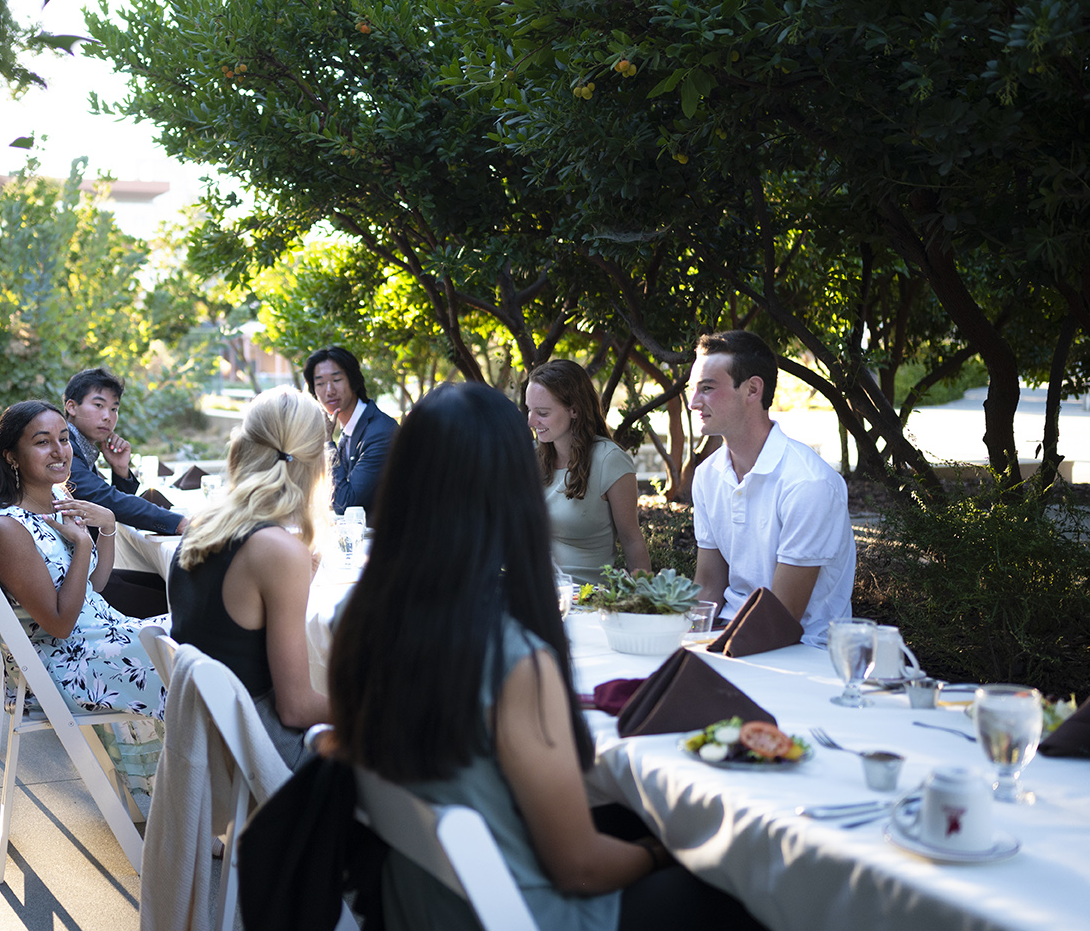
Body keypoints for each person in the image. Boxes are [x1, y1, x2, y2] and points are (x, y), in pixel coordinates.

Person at [328, 383, 762, 930]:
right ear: (512, 491)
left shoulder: (360, 620)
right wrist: (667, 849)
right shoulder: (511, 659)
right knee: (742, 888)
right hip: (521, 914)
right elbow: (580, 868)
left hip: (419, 903)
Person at [0, 400, 166, 806]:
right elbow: (59, 624)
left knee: (198, 641)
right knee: (195, 661)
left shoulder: (57, 501)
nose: (60, 450)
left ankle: (187, 805)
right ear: (11, 456)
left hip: (102, 638)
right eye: (42, 442)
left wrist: (104, 526)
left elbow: (95, 587)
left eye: (64, 438)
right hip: (67, 666)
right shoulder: (6, 529)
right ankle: (190, 808)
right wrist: (84, 540)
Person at [167, 386, 331, 768]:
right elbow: (295, 708)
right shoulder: (276, 550)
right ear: (316, 463)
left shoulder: (203, 525)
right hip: (260, 751)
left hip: (210, 740)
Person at [688, 330, 856, 646]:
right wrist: (678, 645)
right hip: (726, 634)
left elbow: (782, 615)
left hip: (803, 650)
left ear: (752, 389)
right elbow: (708, 588)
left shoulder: (808, 483)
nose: (693, 402)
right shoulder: (707, 475)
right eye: (692, 389)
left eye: (707, 388)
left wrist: (711, 655)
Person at [63, 367, 184, 617]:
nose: (108, 416)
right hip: (74, 586)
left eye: (114, 408)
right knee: (182, 601)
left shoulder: (82, 446)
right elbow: (105, 499)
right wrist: (180, 523)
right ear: (71, 407)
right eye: (98, 405)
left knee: (175, 588)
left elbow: (102, 502)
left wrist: (120, 469)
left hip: (87, 570)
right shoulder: (64, 448)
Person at [525, 360, 650, 585]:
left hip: (584, 599)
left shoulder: (609, 460)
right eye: (529, 410)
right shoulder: (532, 458)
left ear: (574, 410)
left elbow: (632, 540)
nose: (532, 421)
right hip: (532, 592)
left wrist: (645, 602)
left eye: (542, 412)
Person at [302, 346, 398, 521]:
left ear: (353, 381)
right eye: (320, 384)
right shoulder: (349, 431)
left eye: (337, 379)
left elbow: (346, 503)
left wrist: (327, 442)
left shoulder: (380, 432)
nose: (329, 391)